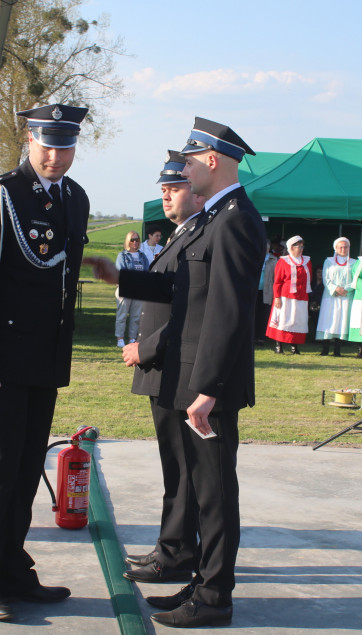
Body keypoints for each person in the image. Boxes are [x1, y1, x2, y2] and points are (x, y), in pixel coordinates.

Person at [86, 116, 266, 628]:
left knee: (214, 493)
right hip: (189, 378)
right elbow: (184, 294)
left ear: (212, 161)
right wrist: (123, 277)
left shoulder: (235, 220)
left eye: (187, 162)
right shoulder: (213, 219)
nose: (182, 172)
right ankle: (201, 582)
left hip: (209, 385)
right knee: (200, 489)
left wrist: (208, 388)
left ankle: (214, 598)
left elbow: (230, 315)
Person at [0, 103, 89, 622]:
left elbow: (62, 284)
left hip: (42, 360)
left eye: (65, 145)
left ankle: (13, 567)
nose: (56, 156)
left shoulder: (75, 199)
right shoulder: (1, 193)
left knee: (28, 467)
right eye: (46, 144)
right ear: (28, 140)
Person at [119, 150, 205, 587]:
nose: (167, 197)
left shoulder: (197, 235)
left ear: (196, 188)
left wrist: (145, 349)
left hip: (175, 369)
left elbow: (191, 311)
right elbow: (165, 288)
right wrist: (115, 278)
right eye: (164, 190)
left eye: (174, 188)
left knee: (182, 468)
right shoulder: (180, 234)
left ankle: (175, 554)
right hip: (164, 371)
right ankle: (171, 547)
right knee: (175, 467)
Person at [266, 235, 312, 354]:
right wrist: (277, 297)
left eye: (302, 246)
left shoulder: (307, 261)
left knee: (297, 321)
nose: (301, 249)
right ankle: (279, 346)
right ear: (291, 247)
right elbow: (277, 281)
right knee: (283, 320)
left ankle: (294, 347)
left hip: (301, 296)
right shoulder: (283, 261)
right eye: (298, 246)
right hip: (285, 296)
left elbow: (309, 278)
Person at [315, 236, 354, 356]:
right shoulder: (329, 261)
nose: (343, 249)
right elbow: (326, 279)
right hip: (331, 296)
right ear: (336, 248)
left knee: (342, 321)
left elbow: (355, 279)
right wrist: (335, 289)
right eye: (341, 247)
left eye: (346, 247)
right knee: (328, 320)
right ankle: (325, 349)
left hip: (346, 296)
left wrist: (346, 289)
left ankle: (337, 350)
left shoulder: (354, 262)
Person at [114, 230, 150, 347]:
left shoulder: (143, 256)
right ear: (128, 242)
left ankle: (132, 338)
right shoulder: (122, 256)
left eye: (137, 240)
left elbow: (146, 273)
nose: (135, 242)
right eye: (132, 240)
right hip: (125, 289)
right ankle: (120, 338)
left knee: (136, 316)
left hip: (139, 290)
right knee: (122, 315)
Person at [256, 236, 282, 344]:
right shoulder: (255, 257)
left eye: (266, 247)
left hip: (267, 291)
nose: (265, 249)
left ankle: (262, 337)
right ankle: (253, 336)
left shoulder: (274, 260)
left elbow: (276, 277)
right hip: (255, 291)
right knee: (254, 314)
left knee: (264, 315)